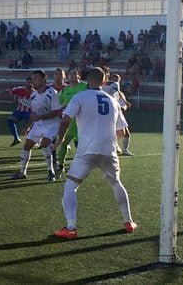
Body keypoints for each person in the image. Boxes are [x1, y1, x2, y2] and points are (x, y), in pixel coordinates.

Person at [51, 67, 137, 239]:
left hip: (87, 151)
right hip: (108, 150)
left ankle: (71, 228)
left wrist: (59, 140)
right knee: (116, 183)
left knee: (70, 186)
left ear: (87, 80)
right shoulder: (113, 101)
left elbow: (65, 120)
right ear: (104, 82)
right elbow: (122, 132)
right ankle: (128, 221)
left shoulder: (80, 97)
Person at [10, 69, 62, 182]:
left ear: (44, 79)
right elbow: (34, 114)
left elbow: (57, 112)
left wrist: (40, 117)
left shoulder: (52, 92)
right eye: (32, 79)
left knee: (44, 144)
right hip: (39, 124)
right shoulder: (33, 95)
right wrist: (28, 126)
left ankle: (51, 171)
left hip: (52, 124)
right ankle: (22, 172)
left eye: (36, 78)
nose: (33, 81)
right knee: (26, 146)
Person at [55, 68, 88, 177]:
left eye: (75, 73)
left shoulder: (85, 87)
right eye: (70, 74)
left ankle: (80, 168)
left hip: (82, 123)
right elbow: (59, 105)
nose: (72, 76)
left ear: (79, 76)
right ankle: (61, 166)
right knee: (63, 143)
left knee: (80, 147)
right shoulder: (64, 91)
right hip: (69, 123)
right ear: (67, 76)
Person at [102, 73, 134, 156]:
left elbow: (124, 106)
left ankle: (123, 149)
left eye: (117, 79)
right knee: (111, 132)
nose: (115, 81)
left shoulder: (118, 92)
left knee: (125, 132)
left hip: (117, 112)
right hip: (110, 112)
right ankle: (112, 146)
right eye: (114, 78)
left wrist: (124, 105)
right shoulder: (106, 87)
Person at [5, 77, 33, 146]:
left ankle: (35, 141)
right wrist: (1, 94)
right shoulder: (20, 89)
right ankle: (16, 138)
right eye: (28, 82)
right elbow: (9, 91)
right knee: (10, 120)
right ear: (25, 83)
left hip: (29, 112)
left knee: (32, 126)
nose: (29, 84)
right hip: (19, 111)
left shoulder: (36, 92)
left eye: (31, 82)